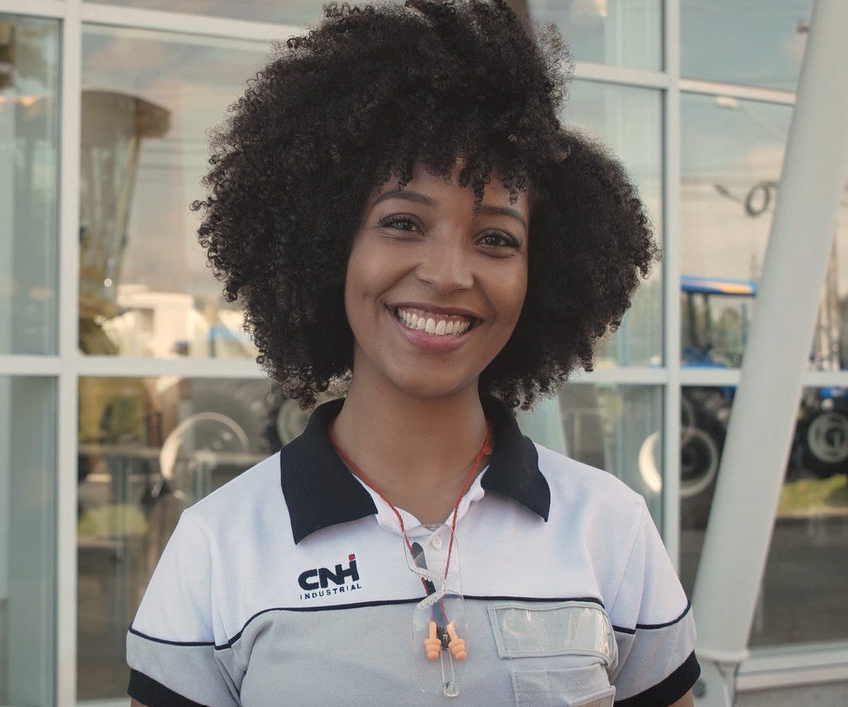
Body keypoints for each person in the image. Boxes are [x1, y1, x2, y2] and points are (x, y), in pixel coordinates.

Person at [125, 2, 696, 706]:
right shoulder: (216, 545)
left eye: (494, 238)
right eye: (401, 222)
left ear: (539, 273)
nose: (450, 272)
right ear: (329, 247)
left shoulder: (610, 527)